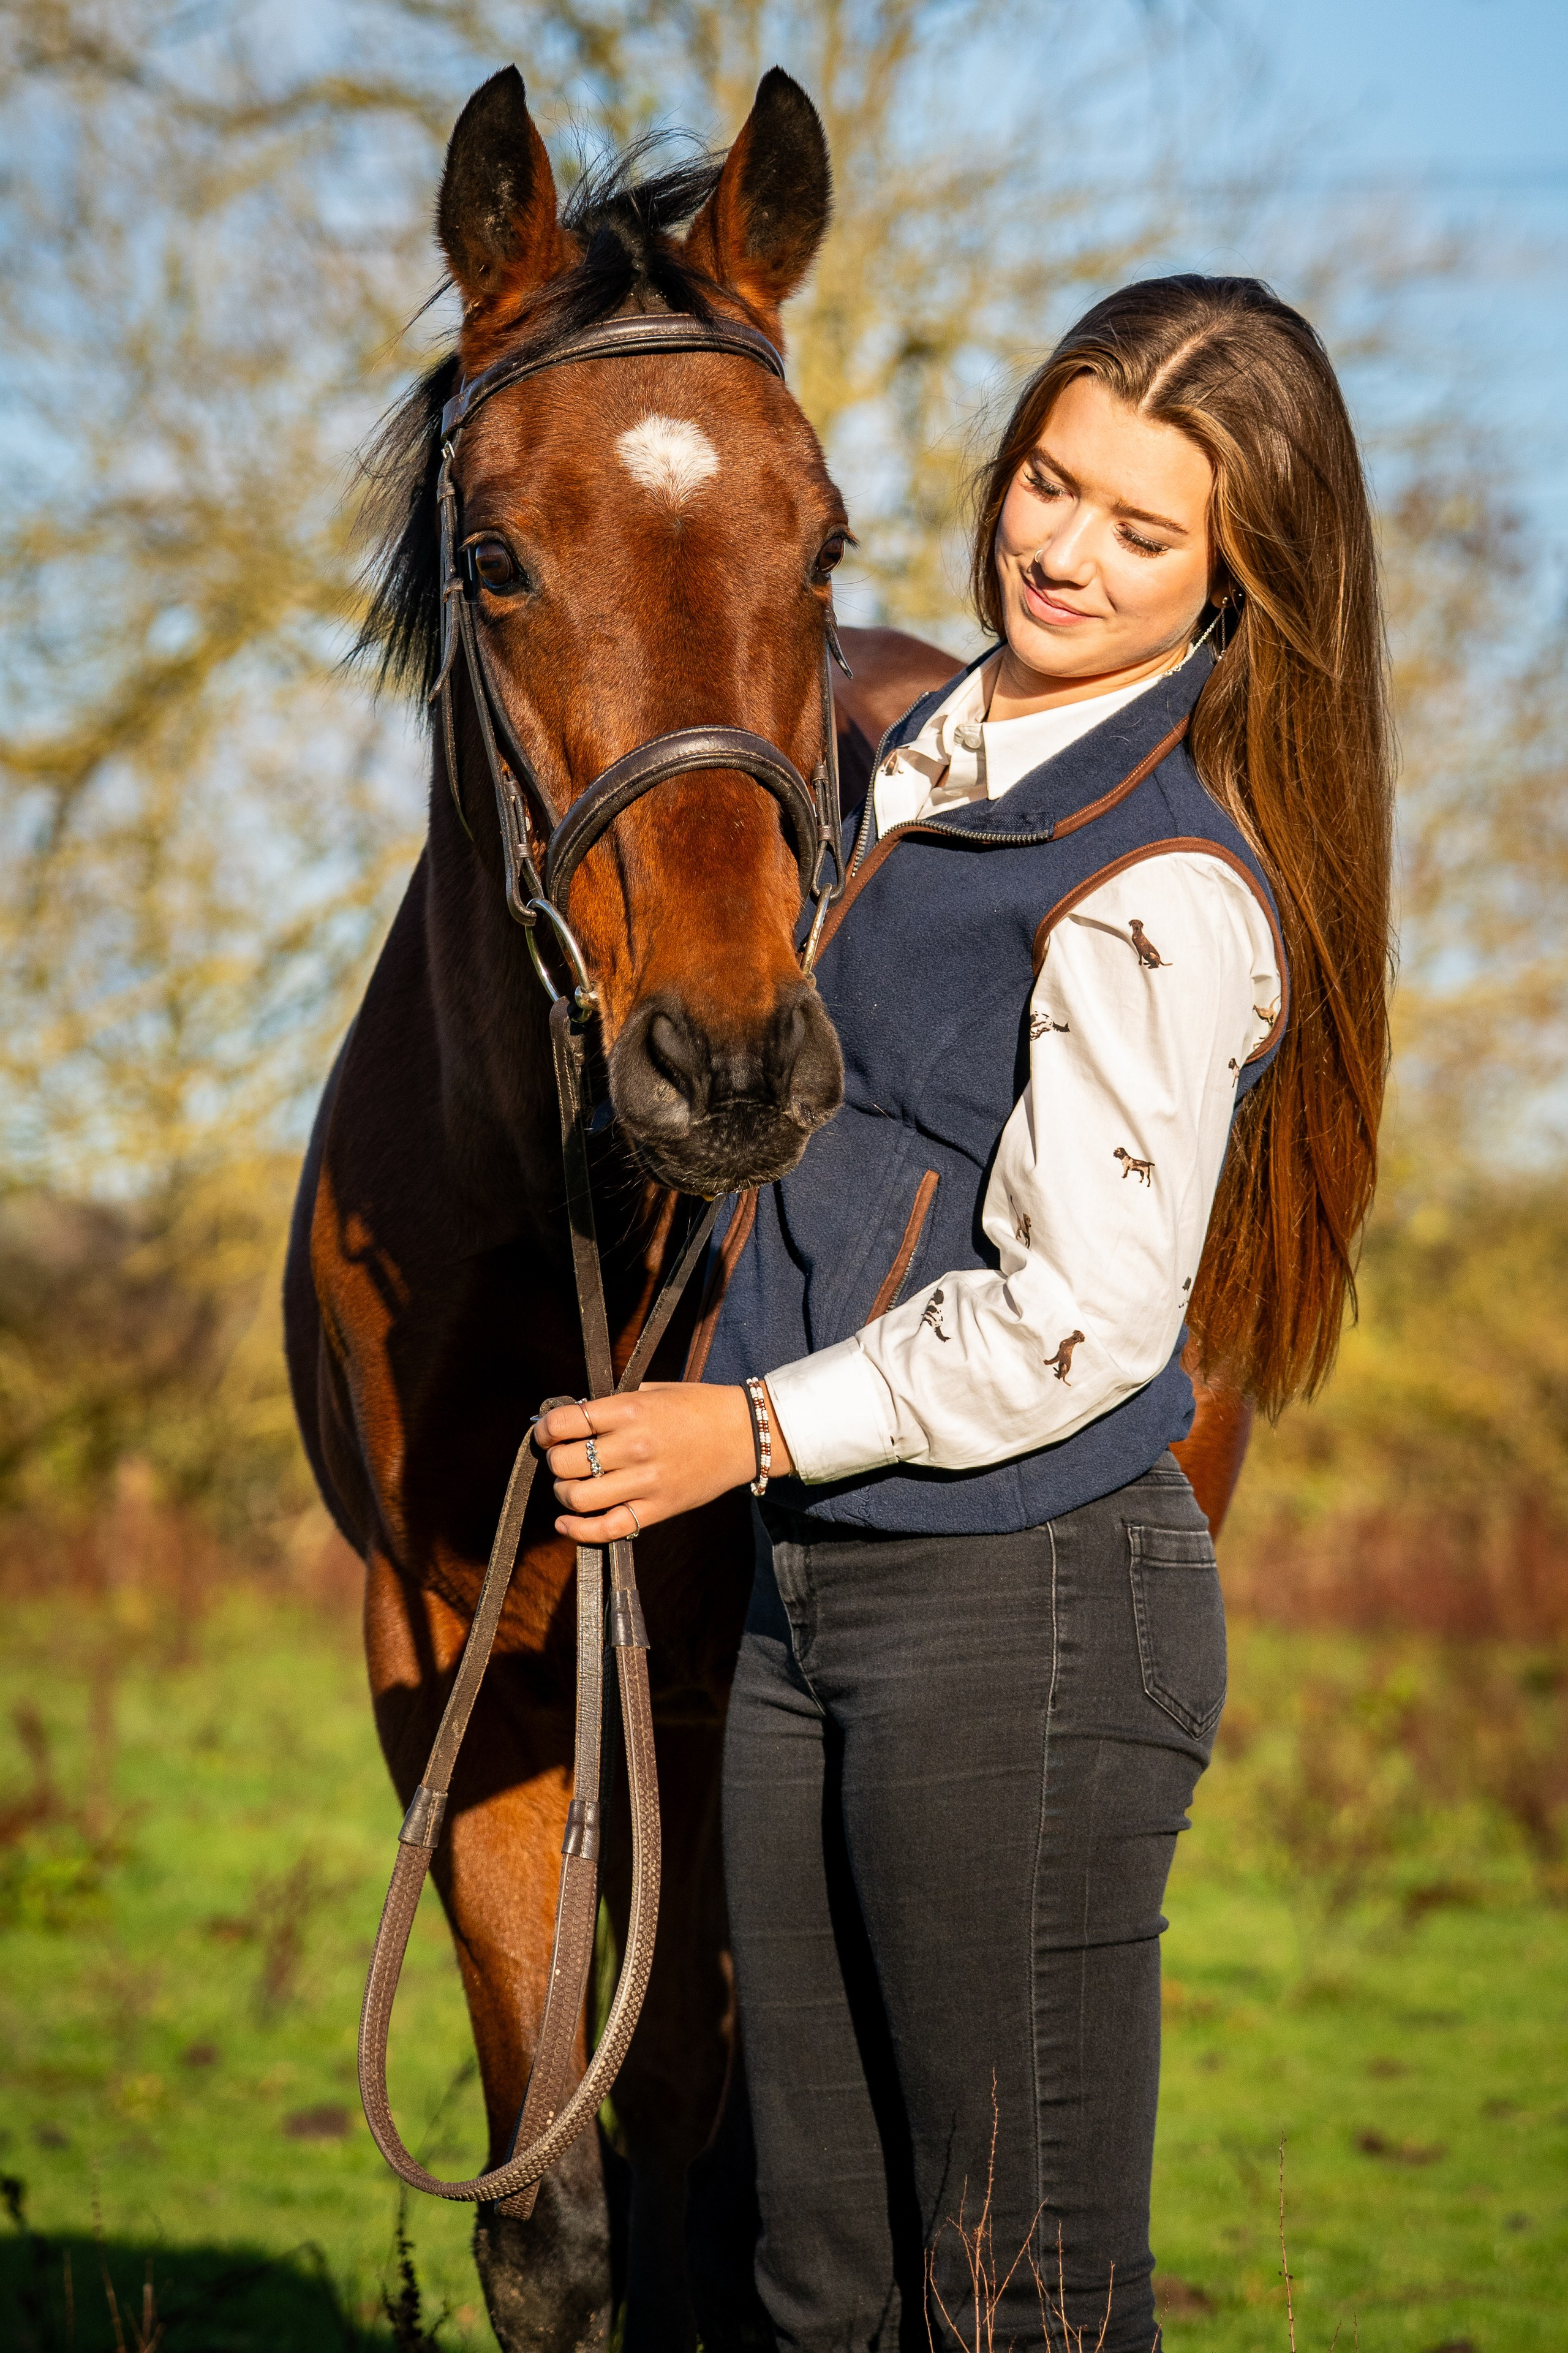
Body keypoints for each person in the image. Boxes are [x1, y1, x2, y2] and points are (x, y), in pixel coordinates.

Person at [538, 274, 1393, 2350]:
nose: (1060, 548)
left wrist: (731, 1432)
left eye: (1140, 528)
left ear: (1233, 581)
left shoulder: (1163, 886)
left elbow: (1080, 1323)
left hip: (1029, 1611)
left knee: (1019, 2286)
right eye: (1049, 477)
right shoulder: (918, 762)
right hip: (827, 1597)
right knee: (815, 2277)